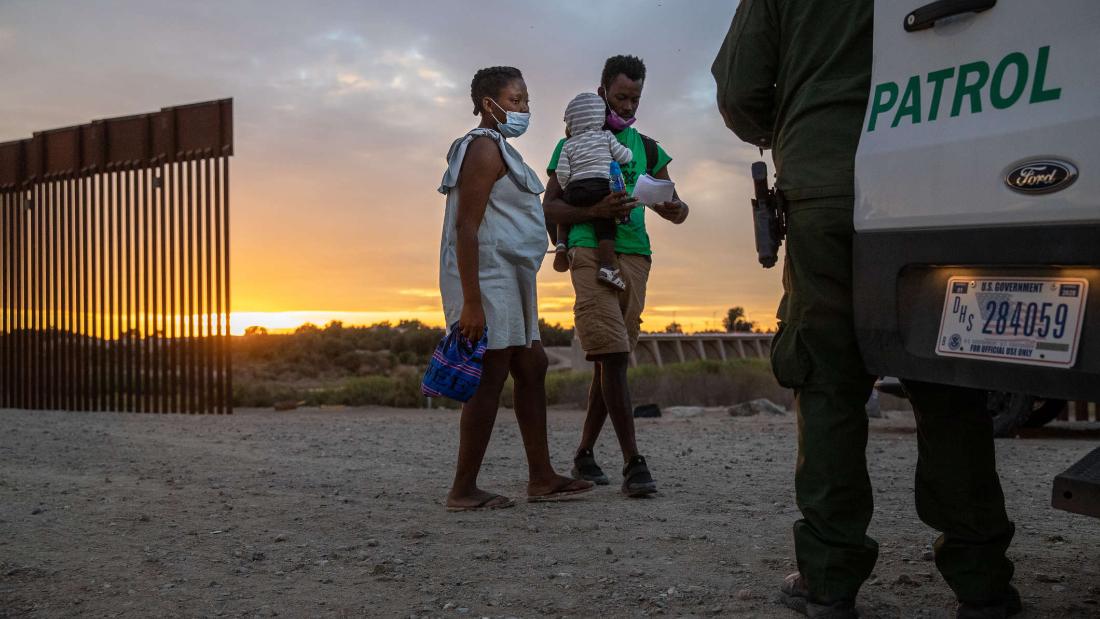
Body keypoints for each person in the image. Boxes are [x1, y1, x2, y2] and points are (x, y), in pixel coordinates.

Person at [712, 3, 1019, 618]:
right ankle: (981, 581)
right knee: (948, 378)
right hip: (936, 173)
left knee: (826, 382)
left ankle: (829, 579)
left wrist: (810, 121)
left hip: (825, 182)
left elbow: (740, 90)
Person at [439, 66, 594, 511]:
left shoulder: (504, 152)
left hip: (514, 278)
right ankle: (463, 489)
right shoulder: (482, 150)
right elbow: (466, 228)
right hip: (487, 278)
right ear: (490, 104)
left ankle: (541, 477)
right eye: (515, 100)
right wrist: (471, 302)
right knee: (492, 371)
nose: (524, 108)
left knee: (533, 365)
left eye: (526, 100)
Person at [543, 55, 690, 498]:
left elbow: (676, 206)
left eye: (635, 98)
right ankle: (633, 463)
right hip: (588, 252)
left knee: (614, 358)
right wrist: (593, 212)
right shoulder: (573, 141)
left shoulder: (645, 147)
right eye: (621, 96)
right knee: (611, 355)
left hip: (636, 257)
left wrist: (675, 208)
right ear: (602, 91)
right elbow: (550, 206)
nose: (628, 105)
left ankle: (585, 452)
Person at [552, 92, 635, 290]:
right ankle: (607, 267)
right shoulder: (605, 135)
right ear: (599, 116)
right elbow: (623, 157)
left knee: (566, 210)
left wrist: (567, 189)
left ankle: (561, 244)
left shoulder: (568, 144)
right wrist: (627, 150)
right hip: (599, 186)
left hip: (575, 188)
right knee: (605, 223)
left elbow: (562, 171)